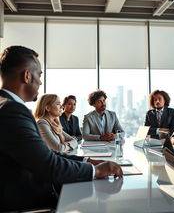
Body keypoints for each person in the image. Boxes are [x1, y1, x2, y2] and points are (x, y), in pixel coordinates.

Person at [0, 46, 122, 211]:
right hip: (30, 202)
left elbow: (45, 154)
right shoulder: (12, 111)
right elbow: (49, 164)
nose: (41, 82)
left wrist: (87, 160)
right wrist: (95, 171)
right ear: (27, 75)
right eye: (40, 75)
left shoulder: (6, 105)